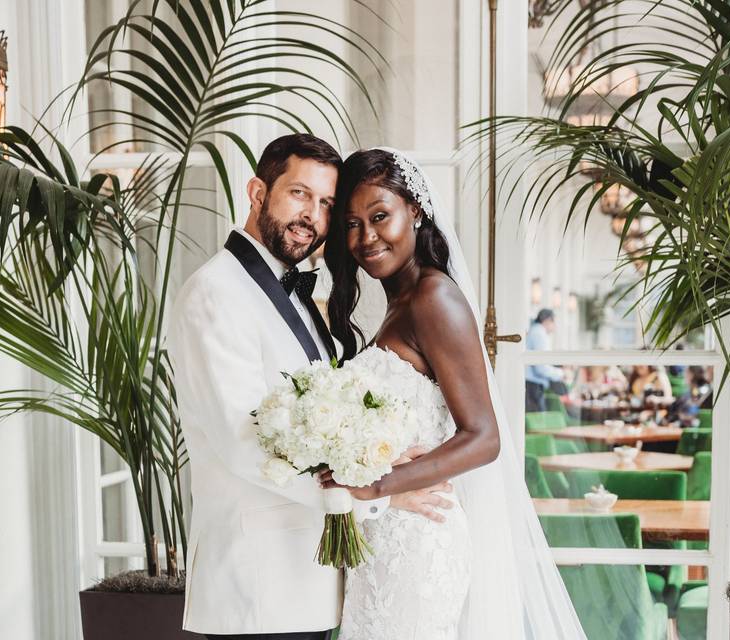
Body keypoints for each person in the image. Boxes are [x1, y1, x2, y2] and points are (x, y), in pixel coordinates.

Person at [168, 134, 450, 639]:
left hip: (309, 582)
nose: (312, 217)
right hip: (258, 587)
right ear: (257, 192)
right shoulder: (214, 294)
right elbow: (243, 445)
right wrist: (378, 495)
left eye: (325, 204)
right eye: (299, 194)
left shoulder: (294, 289)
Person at [322, 148, 586, 639]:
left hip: (419, 545)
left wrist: (377, 484)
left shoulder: (433, 298)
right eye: (352, 225)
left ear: (415, 211)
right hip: (384, 539)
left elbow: (484, 436)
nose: (366, 238)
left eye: (380, 217)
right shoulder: (398, 302)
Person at [524, 308, 565, 411]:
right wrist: (561, 374)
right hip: (533, 386)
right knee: (538, 421)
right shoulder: (539, 334)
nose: (554, 326)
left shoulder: (534, 331)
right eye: (553, 322)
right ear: (547, 320)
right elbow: (541, 368)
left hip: (531, 385)